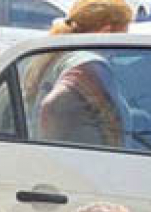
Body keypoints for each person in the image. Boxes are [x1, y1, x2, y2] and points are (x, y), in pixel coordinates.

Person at [21, 0, 132, 148]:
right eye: (123, 35)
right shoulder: (89, 63)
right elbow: (53, 105)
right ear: (105, 32)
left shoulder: (54, 54)